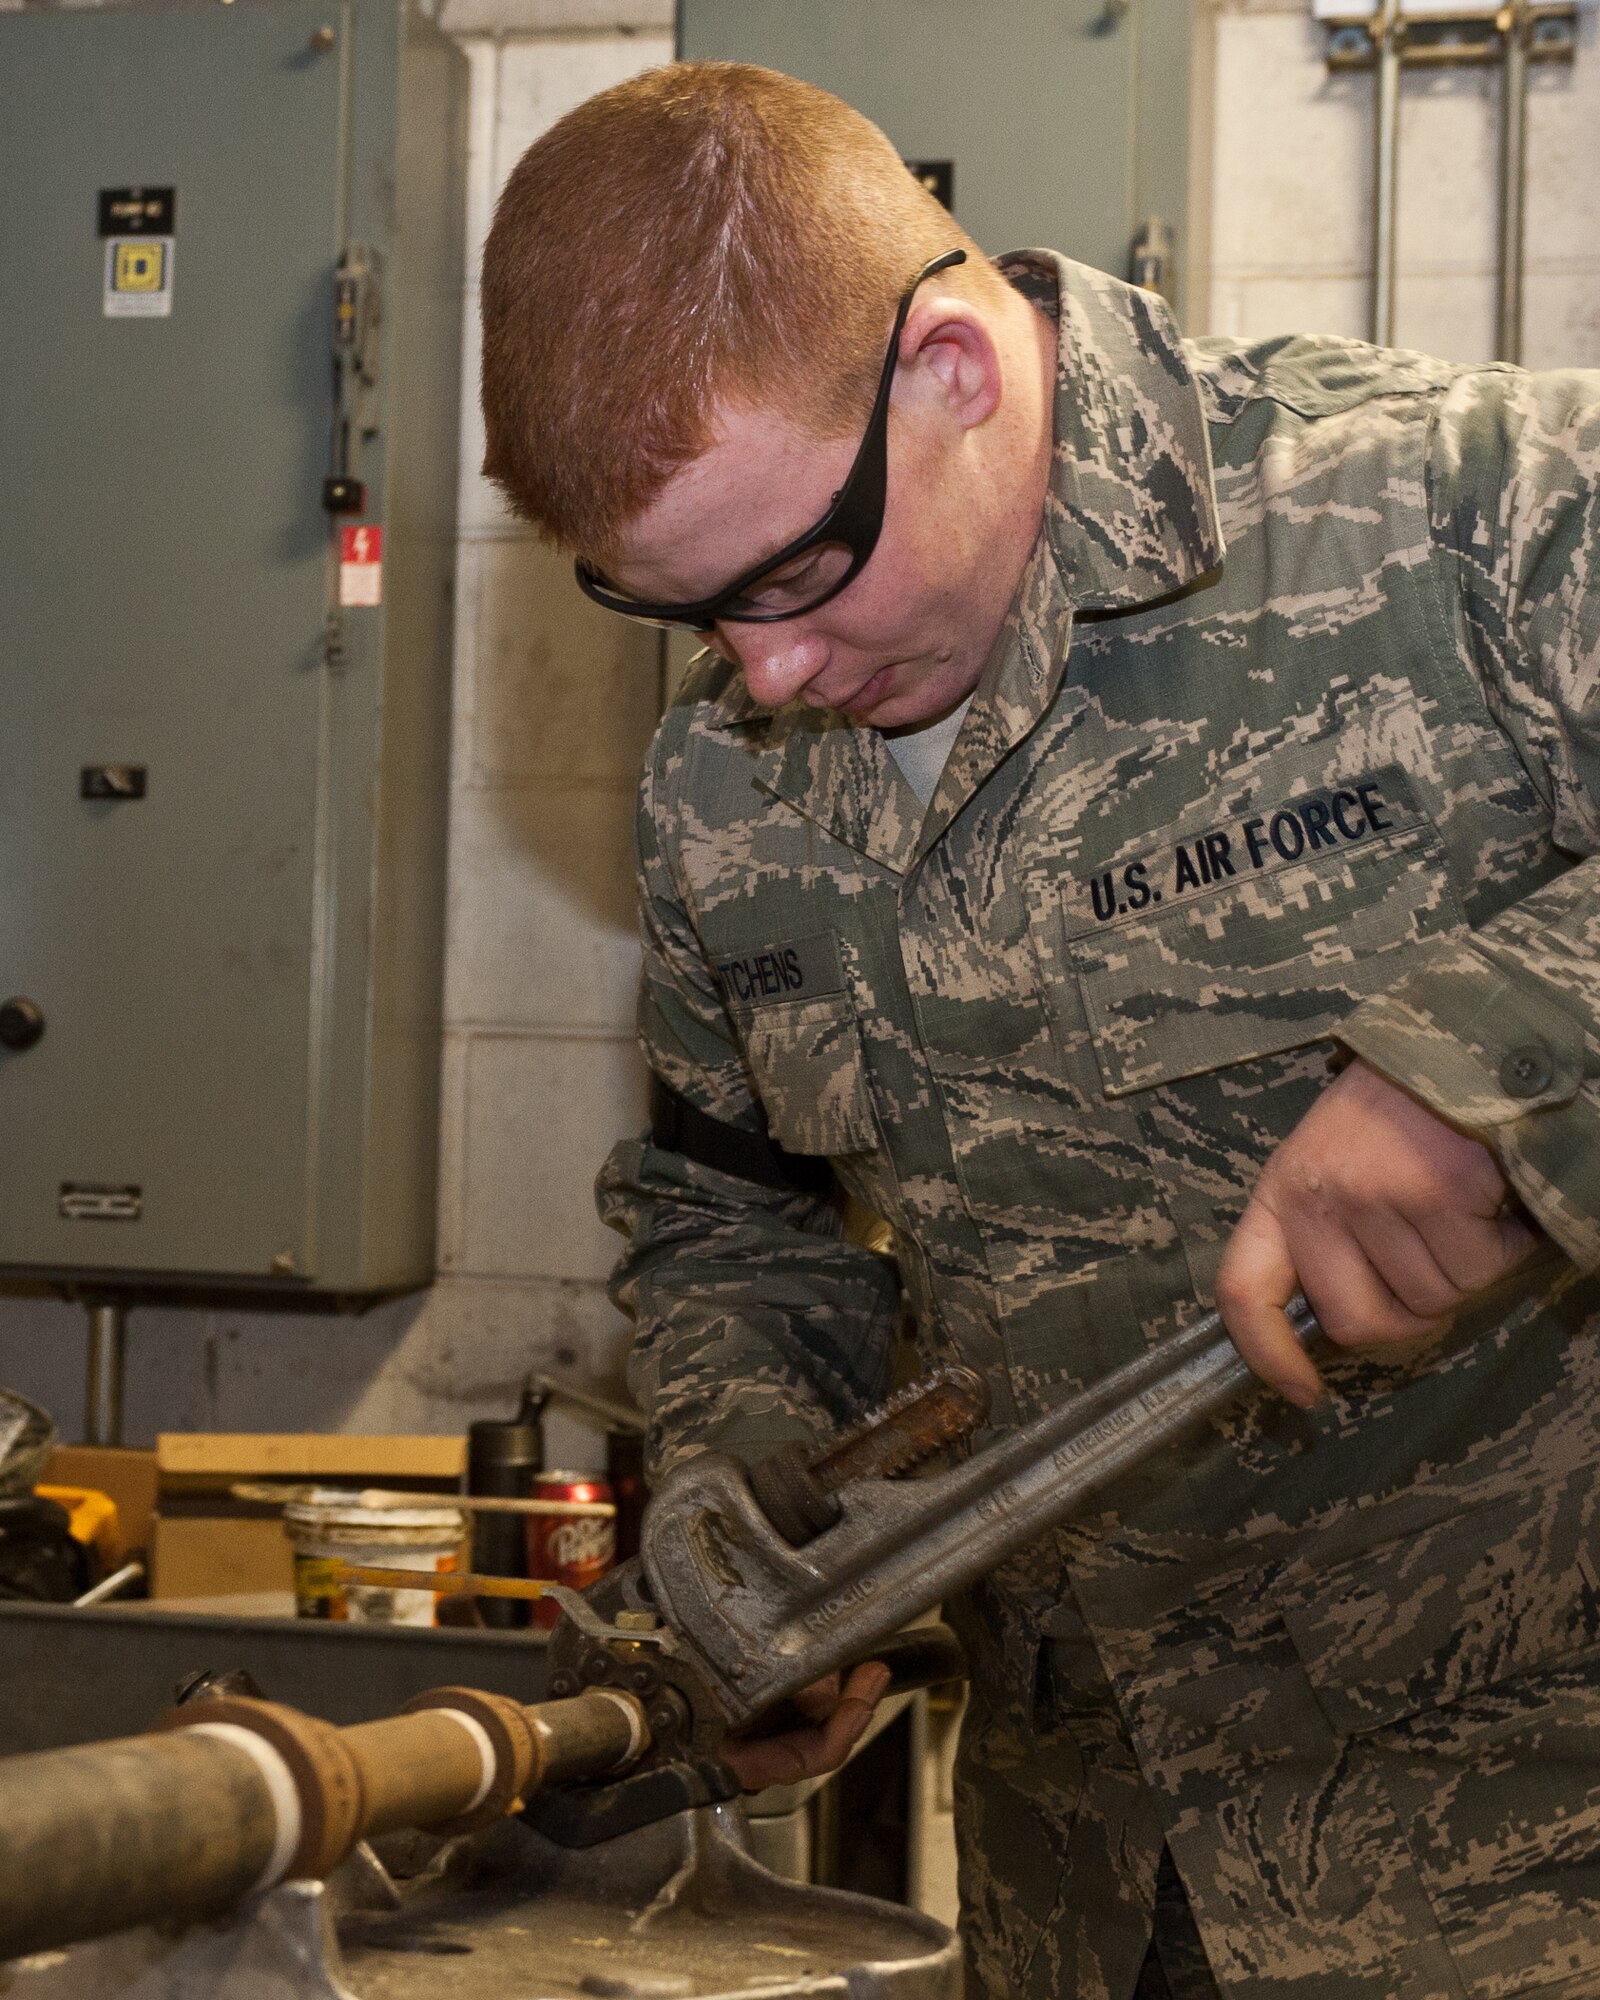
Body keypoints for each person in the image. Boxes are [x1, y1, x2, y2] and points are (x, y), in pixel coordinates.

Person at [480, 59, 1600, 2000]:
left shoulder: (1449, 519)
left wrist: (1499, 1067)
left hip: (1520, 1859)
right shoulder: (722, 789)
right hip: (1085, 1882)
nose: (764, 670)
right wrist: (773, 1531)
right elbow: (725, 1208)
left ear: (953, 374)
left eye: (789, 574)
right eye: (674, 609)